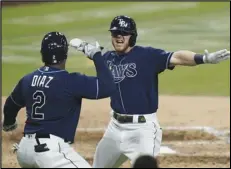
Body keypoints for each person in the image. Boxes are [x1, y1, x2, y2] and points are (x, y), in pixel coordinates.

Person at [71, 15, 230, 168]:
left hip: (142, 131)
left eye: (124, 34)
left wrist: (204, 58)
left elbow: (178, 57)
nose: (119, 37)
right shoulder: (108, 58)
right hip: (115, 128)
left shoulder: (147, 55)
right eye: (115, 33)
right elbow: (97, 56)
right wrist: (86, 48)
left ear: (132, 37)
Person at [2, 31, 116, 168]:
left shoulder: (28, 79)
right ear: (65, 55)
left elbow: (10, 105)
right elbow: (107, 87)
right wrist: (96, 55)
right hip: (49, 152)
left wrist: (9, 123)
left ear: (42, 53)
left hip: (24, 150)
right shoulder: (71, 81)